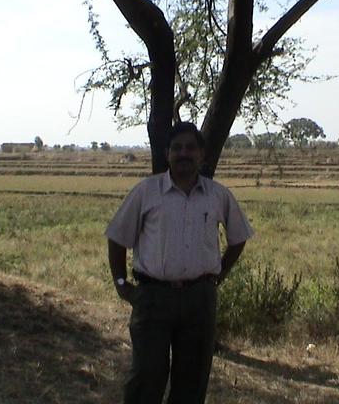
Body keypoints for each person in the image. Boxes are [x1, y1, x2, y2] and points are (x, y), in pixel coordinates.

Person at [106, 121, 254, 404]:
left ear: (202, 155)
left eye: (190, 148)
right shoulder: (146, 192)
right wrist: (122, 284)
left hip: (200, 299)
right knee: (146, 377)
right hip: (152, 298)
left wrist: (218, 276)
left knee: (192, 381)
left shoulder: (217, 195)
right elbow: (116, 237)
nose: (183, 153)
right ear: (167, 154)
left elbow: (239, 237)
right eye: (177, 148)